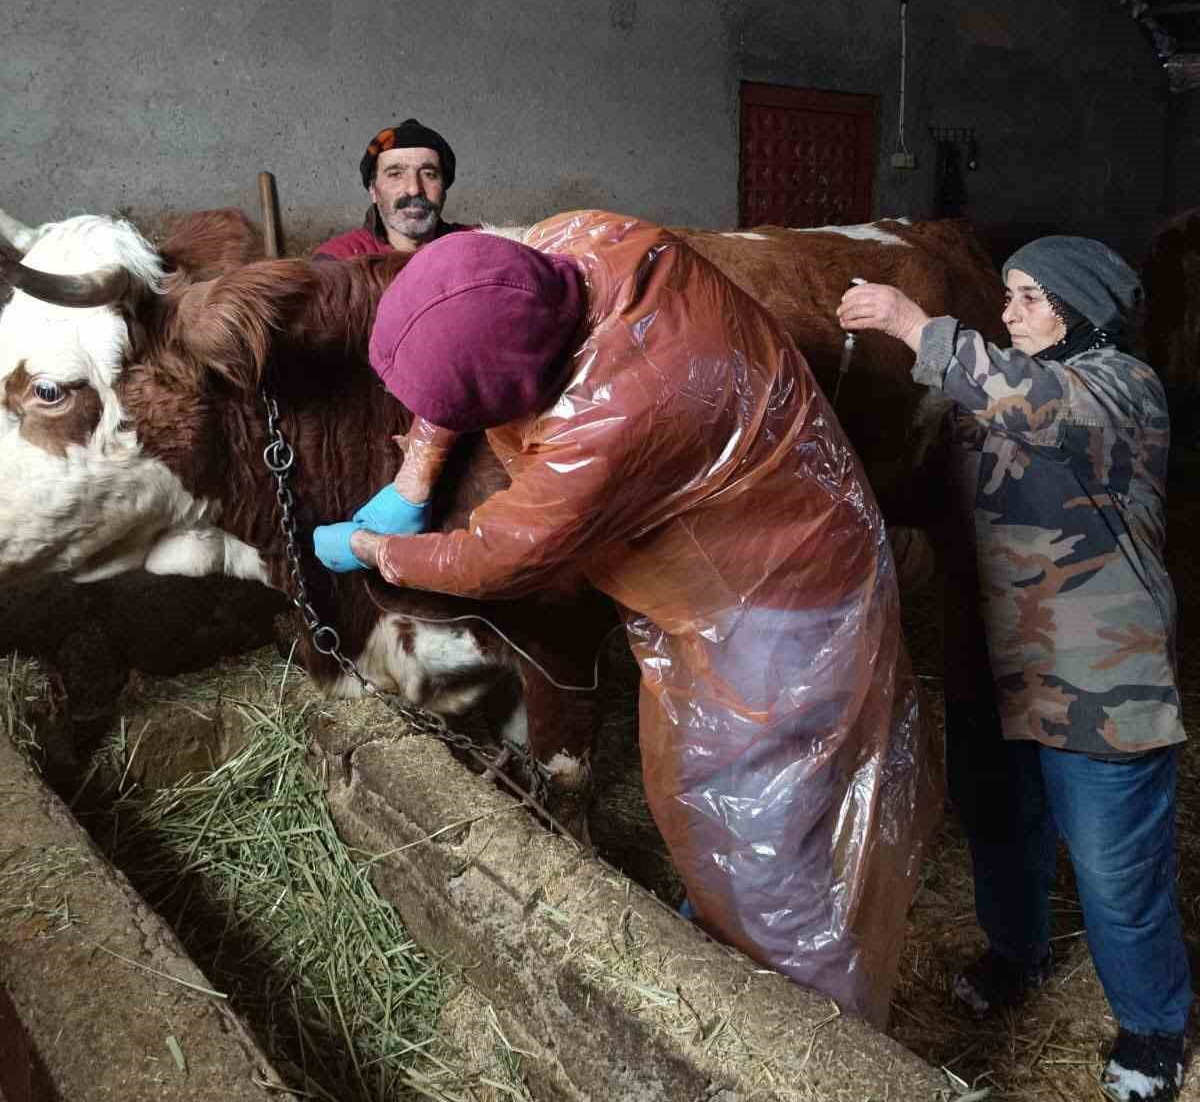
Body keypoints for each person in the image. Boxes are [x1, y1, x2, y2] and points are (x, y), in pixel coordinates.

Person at [311, 211, 940, 1027]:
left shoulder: (615, 413)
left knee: (769, 831)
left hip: (778, 599)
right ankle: (728, 935)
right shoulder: (578, 239)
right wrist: (416, 472)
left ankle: (805, 1038)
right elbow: (467, 318)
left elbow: (500, 554)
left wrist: (375, 546)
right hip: (731, 566)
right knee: (703, 790)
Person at [837, 237, 1191, 1102]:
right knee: (1000, 826)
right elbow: (966, 501)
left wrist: (913, 322)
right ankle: (1016, 953)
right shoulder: (988, 395)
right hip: (995, 662)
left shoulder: (1120, 388)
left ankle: (1155, 1026)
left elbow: (1031, 403)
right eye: (1008, 296)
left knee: (1115, 870)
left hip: (1101, 680)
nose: (1009, 313)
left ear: (1085, 309)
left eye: (1029, 298)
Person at [312, 119, 473, 260]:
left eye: (429, 174)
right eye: (395, 174)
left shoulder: (478, 246)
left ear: (444, 189)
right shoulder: (338, 261)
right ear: (373, 190)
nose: (414, 189)